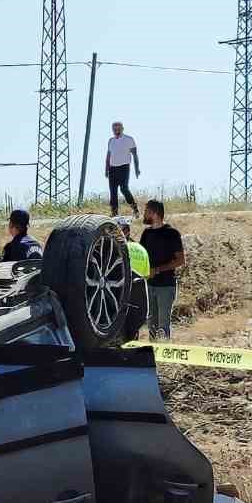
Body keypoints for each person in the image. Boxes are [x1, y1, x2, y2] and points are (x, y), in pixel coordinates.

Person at [138, 199, 185, 341]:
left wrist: (157, 270)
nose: (144, 214)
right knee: (151, 324)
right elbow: (141, 257)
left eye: (146, 211)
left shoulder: (172, 233)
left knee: (163, 326)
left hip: (166, 286)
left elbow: (181, 261)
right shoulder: (146, 234)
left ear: (155, 213)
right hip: (149, 286)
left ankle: (165, 357)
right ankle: (153, 356)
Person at [105, 121, 140, 217]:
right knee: (113, 191)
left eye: (118, 129)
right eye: (114, 129)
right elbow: (108, 156)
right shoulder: (111, 141)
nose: (116, 131)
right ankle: (114, 212)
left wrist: (137, 169)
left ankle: (135, 208)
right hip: (112, 169)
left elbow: (135, 155)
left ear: (122, 129)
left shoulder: (129, 139)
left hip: (124, 167)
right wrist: (106, 169)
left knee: (124, 189)